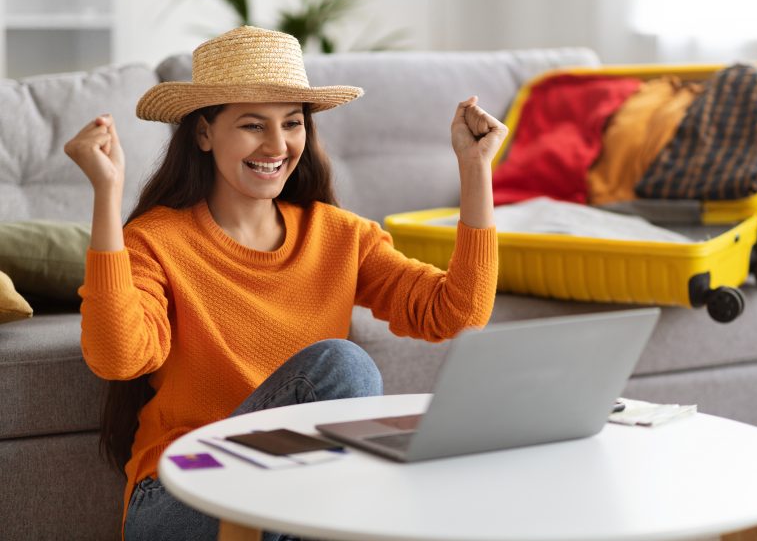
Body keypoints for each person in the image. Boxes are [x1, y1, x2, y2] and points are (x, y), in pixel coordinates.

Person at [64, 26, 505, 541]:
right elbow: (118, 358)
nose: (277, 145)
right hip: (182, 493)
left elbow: (457, 313)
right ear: (204, 134)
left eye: (292, 123)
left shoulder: (340, 236)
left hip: (298, 497)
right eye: (253, 125)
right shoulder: (156, 239)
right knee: (344, 367)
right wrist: (106, 194)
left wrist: (476, 169)